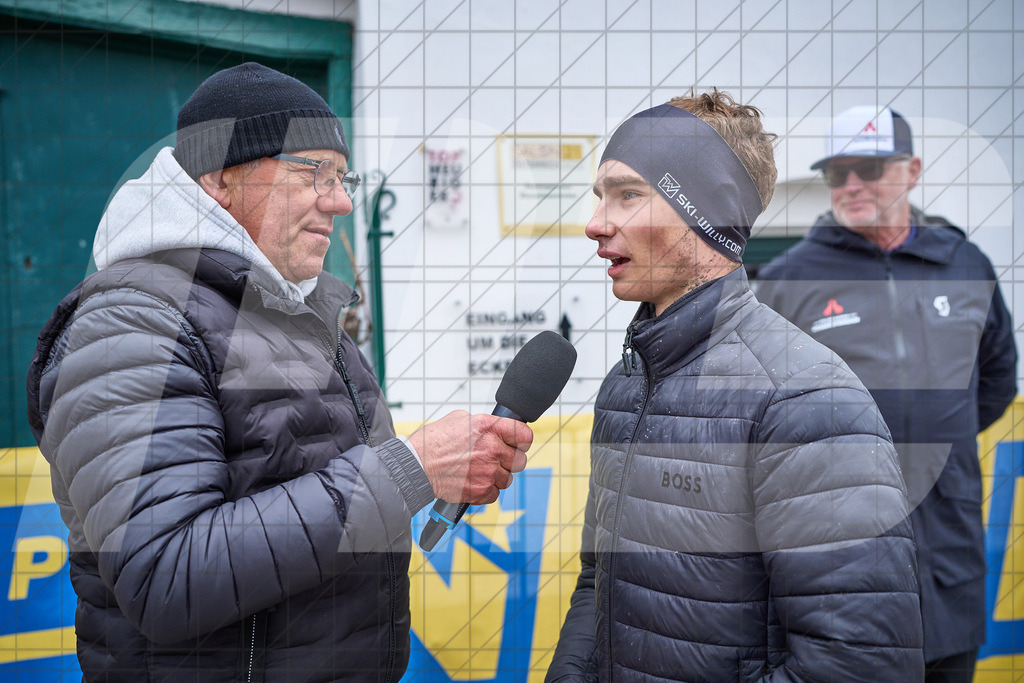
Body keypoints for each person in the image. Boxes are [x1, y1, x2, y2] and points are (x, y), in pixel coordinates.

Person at [25, 62, 532, 681]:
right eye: (313, 172)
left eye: (343, 177)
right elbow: (167, 575)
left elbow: (310, 493)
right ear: (219, 178)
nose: (341, 201)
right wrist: (408, 469)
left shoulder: (296, 310)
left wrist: (435, 473)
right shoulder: (130, 324)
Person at [546, 91, 924, 681]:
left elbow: (859, 665)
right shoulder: (625, 383)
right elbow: (600, 580)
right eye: (600, 197)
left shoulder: (809, 401)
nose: (596, 223)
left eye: (627, 194)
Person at [756, 105, 1018, 681]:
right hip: (839, 573)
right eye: (837, 172)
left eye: (868, 169)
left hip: (949, 560)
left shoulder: (965, 263)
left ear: (912, 170)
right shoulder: (788, 280)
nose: (850, 185)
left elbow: (997, 380)